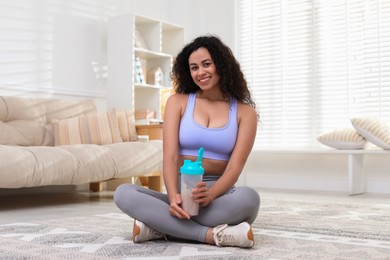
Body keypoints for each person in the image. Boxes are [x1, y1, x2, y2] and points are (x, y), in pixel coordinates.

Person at [114, 35, 260, 248]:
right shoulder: (178, 102)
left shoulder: (245, 113)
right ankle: (210, 235)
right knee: (124, 193)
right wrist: (173, 197)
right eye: (194, 67)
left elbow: (234, 169)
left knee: (250, 199)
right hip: (182, 192)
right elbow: (171, 157)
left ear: (221, 64)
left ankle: (159, 226)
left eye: (206, 64)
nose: (200, 72)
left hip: (219, 194)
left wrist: (210, 194)